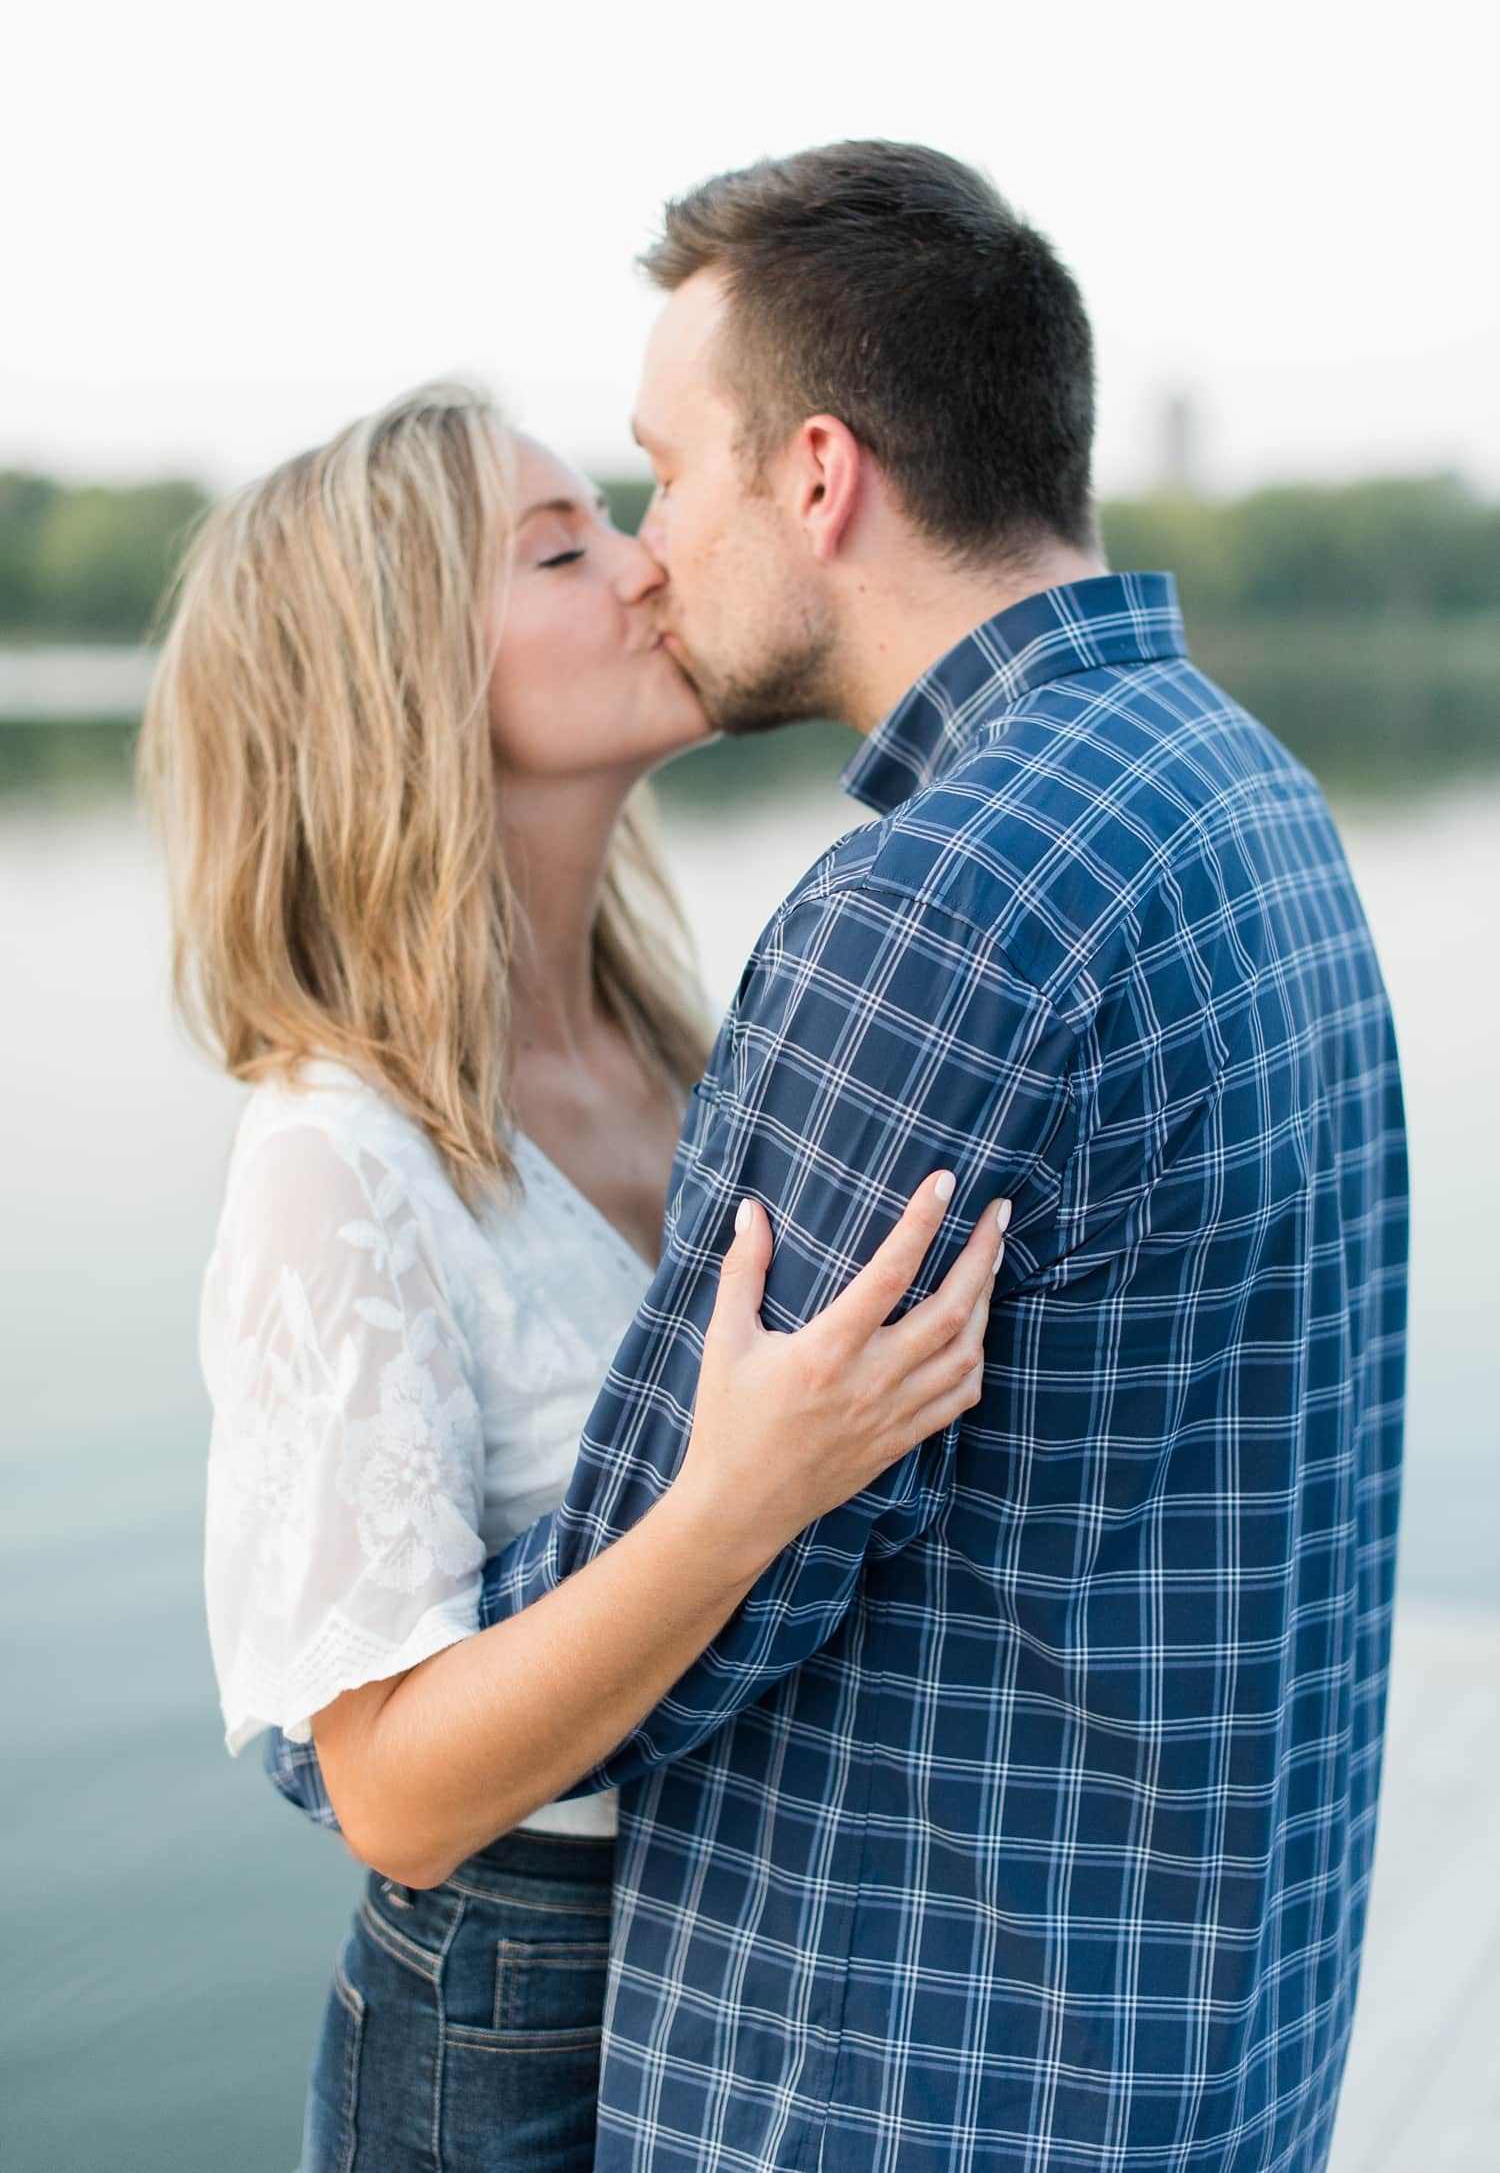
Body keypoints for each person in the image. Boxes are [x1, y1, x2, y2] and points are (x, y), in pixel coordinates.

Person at [273, 140, 1409, 2171]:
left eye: (665, 472)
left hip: (909, 2079)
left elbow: (688, 1592)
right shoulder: (1246, 788)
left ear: (818, 477)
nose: (649, 548)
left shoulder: (931, 910)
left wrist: (342, 1713)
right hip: (1194, 2044)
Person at [139, 384, 1008, 2173]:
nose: (649, 562)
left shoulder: (681, 1044)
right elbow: (389, 1791)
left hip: (740, 1944)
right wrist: (741, 1498)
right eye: (562, 548)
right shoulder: (336, 1160)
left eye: (618, 513)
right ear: (395, 681)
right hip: (503, 2013)